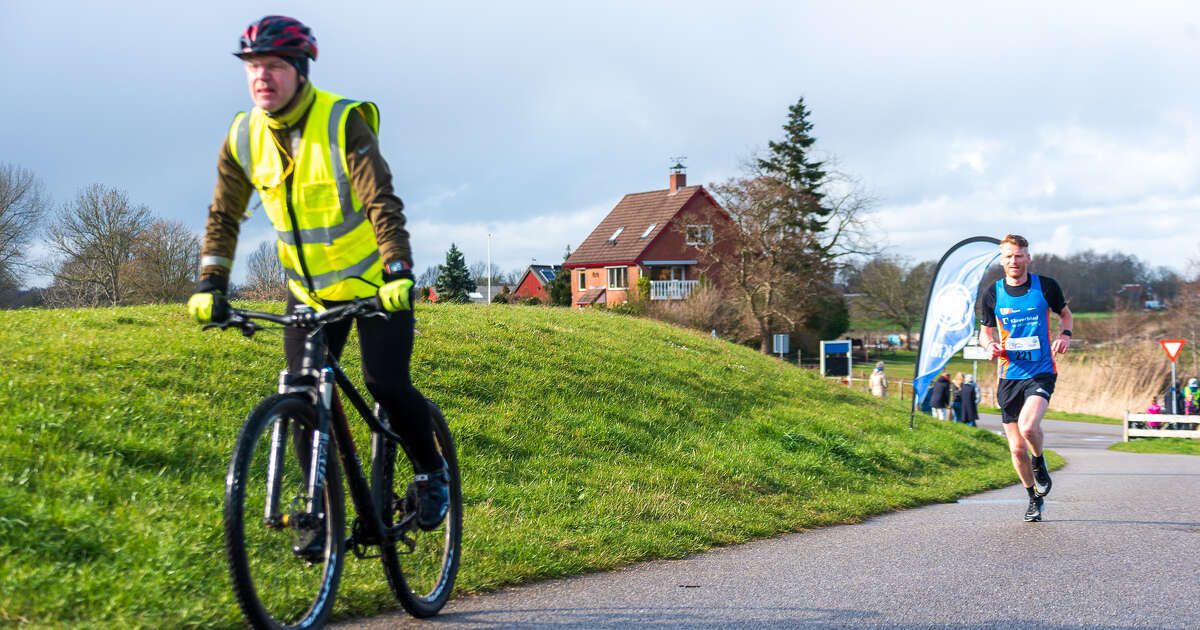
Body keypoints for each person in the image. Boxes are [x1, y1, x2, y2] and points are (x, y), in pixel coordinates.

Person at [186, 16, 450, 551]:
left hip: (376, 285)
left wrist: (397, 268)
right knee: (303, 389)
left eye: (275, 66)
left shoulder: (341, 121)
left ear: (300, 72)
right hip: (308, 293)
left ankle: (430, 470)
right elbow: (223, 215)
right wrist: (211, 283)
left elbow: (382, 201)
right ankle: (321, 515)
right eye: (253, 66)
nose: (262, 76)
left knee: (385, 384)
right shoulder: (243, 136)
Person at [980, 234, 1072, 523]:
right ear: (1002, 259)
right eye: (1008, 256)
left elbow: (1065, 316)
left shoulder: (1045, 286)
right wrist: (989, 346)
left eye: (1019, 256)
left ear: (1028, 258)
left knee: (1029, 426)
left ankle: (1040, 461)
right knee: (1016, 448)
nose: (1014, 261)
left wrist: (1064, 336)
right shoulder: (992, 293)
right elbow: (985, 332)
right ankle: (1033, 498)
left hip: (1041, 371)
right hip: (1009, 376)